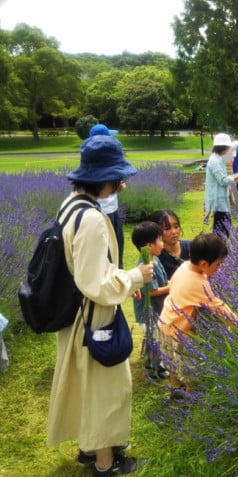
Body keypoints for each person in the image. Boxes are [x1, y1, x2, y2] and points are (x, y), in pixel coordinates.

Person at [48, 134, 154, 476]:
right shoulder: (92, 220)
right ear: (104, 179)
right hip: (93, 318)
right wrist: (135, 277)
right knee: (106, 392)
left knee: (89, 387)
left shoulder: (71, 205)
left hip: (75, 314)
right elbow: (95, 284)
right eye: (118, 179)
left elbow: (88, 268)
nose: (121, 185)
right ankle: (106, 465)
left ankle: (91, 448)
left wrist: (121, 277)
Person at [158, 232, 238, 393]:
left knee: (172, 364)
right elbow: (221, 309)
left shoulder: (184, 267)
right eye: (218, 265)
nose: (219, 268)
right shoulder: (197, 283)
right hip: (180, 332)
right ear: (204, 263)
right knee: (190, 370)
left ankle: (175, 392)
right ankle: (191, 397)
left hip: (164, 322)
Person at [131, 221, 170, 380]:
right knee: (154, 340)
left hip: (157, 309)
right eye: (160, 240)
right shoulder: (146, 265)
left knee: (156, 338)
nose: (162, 243)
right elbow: (152, 291)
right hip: (148, 312)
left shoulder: (155, 259)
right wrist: (171, 288)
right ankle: (155, 369)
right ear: (149, 245)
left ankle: (152, 363)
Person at [90, 124, 126, 268]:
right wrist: (118, 187)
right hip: (105, 214)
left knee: (112, 252)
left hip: (107, 211)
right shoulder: (102, 162)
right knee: (112, 253)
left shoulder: (93, 161)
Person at [204, 133, 238, 238]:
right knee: (221, 231)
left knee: (223, 229)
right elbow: (222, 180)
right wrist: (236, 177)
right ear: (223, 147)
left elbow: (222, 177)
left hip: (221, 199)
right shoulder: (215, 161)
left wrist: (234, 175)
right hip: (218, 201)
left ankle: (220, 251)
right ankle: (219, 252)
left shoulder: (218, 158)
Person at [150, 209, 190, 280]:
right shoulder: (155, 256)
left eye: (176, 226)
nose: (174, 232)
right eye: (167, 228)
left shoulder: (192, 247)